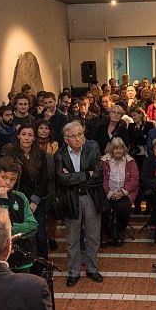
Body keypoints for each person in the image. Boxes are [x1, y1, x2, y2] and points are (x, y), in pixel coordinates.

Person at [53, 120, 105, 287]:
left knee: (93, 236)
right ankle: (74, 272)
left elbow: (97, 176)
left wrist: (74, 177)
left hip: (91, 196)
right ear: (66, 139)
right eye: (73, 136)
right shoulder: (60, 155)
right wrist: (85, 174)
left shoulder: (93, 147)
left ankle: (92, 269)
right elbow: (61, 179)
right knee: (72, 238)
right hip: (71, 199)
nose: (78, 139)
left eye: (80, 134)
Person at [0, 157, 38, 273]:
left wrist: (12, 229)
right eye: (4, 177)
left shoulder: (21, 197)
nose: (8, 183)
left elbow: (33, 225)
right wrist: (3, 201)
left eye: (13, 179)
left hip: (22, 256)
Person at [3, 124, 50, 265]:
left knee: (40, 236)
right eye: (23, 134)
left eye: (30, 135)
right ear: (18, 136)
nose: (26, 138)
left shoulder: (40, 154)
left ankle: (43, 265)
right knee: (22, 236)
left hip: (37, 200)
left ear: (34, 137)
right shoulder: (12, 154)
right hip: (18, 200)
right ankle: (25, 264)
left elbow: (44, 178)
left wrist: (35, 201)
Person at [101, 137, 139, 247]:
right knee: (103, 208)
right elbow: (102, 179)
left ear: (124, 150)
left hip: (124, 193)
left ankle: (120, 231)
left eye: (121, 148)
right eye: (116, 148)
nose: (118, 151)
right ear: (111, 150)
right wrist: (110, 193)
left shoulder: (130, 161)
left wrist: (122, 192)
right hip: (108, 193)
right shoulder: (104, 161)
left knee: (124, 208)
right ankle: (105, 233)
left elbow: (135, 178)